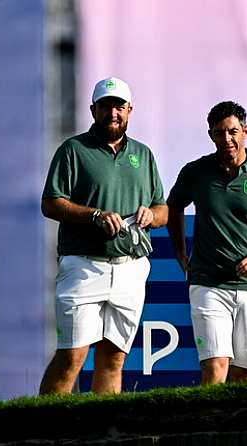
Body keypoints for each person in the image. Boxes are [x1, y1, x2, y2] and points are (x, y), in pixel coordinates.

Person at [39, 77, 168, 394]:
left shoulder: (143, 154)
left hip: (130, 266)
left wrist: (151, 216)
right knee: (72, 354)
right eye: (107, 105)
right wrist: (94, 216)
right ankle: (43, 431)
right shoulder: (73, 150)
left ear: (129, 110)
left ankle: (102, 433)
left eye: (119, 106)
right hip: (84, 265)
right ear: (94, 109)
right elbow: (51, 203)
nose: (114, 112)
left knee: (114, 357)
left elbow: (162, 209)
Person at [165, 100, 247, 385]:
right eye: (219, 133)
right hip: (207, 283)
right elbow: (173, 206)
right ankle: (206, 428)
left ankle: (233, 430)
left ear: (245, 131)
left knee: (245, 373)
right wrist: (180, 251)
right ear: (211, 135)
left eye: (232, 131)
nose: (227, 138)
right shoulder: (196, 172)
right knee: (215, 367)